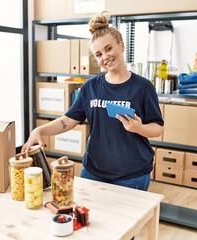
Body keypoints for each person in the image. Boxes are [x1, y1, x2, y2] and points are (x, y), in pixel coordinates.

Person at [22, 11, 164, 191]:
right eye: (98, 54)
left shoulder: (143, 87)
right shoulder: (90, 87)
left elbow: (157, 128)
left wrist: (139, 128)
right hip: (94, 172)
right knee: (88, 218)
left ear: (121, 46)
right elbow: (68, 121)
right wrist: (40, 130)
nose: (105, 57)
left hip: (132, 175)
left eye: (108, 48)